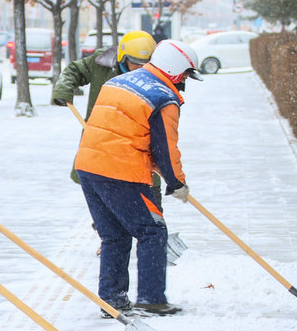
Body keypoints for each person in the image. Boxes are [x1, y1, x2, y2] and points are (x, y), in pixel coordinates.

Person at [73, 38, 203, 316]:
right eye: (185, 75)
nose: (184, 81)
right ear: (175, 70)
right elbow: (164, 148)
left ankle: (113, 301)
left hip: (88, 166)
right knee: (152, 231)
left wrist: (164, 172)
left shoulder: (119, 82)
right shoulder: (163, 98)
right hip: (120, 172)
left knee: (114, 236)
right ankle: (151, 299)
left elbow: (127, 132)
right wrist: (176, 182)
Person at [51, 30, 160, 197]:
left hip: (139, 154)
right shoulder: (101, 65)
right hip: (101, 150)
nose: (140, 68)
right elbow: (74, 70)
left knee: (149, 206)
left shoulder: (154, 76)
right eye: (135, 63)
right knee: (104, 203)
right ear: (123, 57)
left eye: (145, 64)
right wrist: (63, 90)